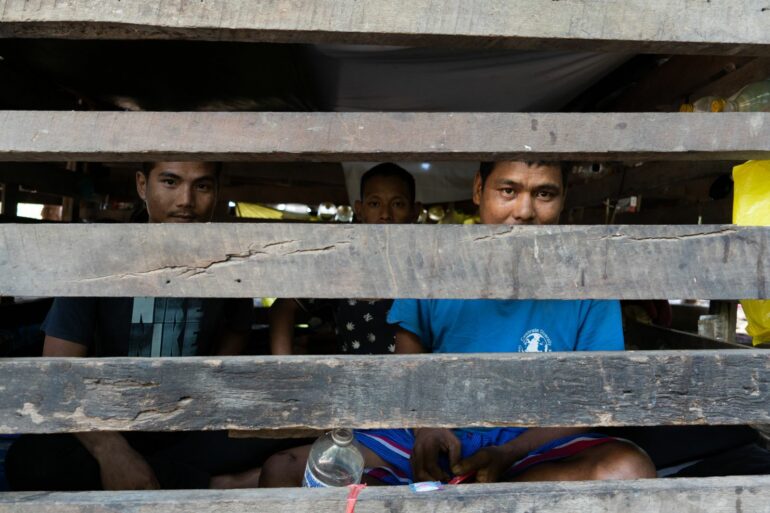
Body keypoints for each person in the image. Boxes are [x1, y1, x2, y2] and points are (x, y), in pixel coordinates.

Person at [259, 160, 656, 487]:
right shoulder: (434, 263)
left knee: (629, 469)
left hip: (536, 441)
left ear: (563, 198)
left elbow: (593, 399)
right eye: (508, 190)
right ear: (478, 189)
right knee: (287, 470)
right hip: (441, 433)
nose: (524, 210)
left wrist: (509, 452)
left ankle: (479, 491)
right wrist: (427, 427)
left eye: (544, 194)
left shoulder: (590, 276)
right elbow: (407, 364)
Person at [6, 162, 291, 491]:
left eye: (202, 186)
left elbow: (238, 328)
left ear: (216, 190)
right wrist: (112, 452)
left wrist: (207, 390)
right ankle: (217, 484)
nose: (185, 199)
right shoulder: (98, 258)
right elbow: (56, 369)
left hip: (188, 424)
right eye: (170, 182)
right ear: (142, 185)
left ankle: (175, 477)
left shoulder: (227, 259)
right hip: (108, 420)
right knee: (31, 461)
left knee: (288, 432)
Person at [269, 163, 421, 355]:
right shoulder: (341, 264)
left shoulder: (425, 266)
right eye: (374, 204)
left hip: (413, 384)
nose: (385, 214)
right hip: (347, 384)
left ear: (414, 211)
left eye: (398, 204)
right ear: (359, 209)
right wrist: (284, 371)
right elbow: (282, 309)